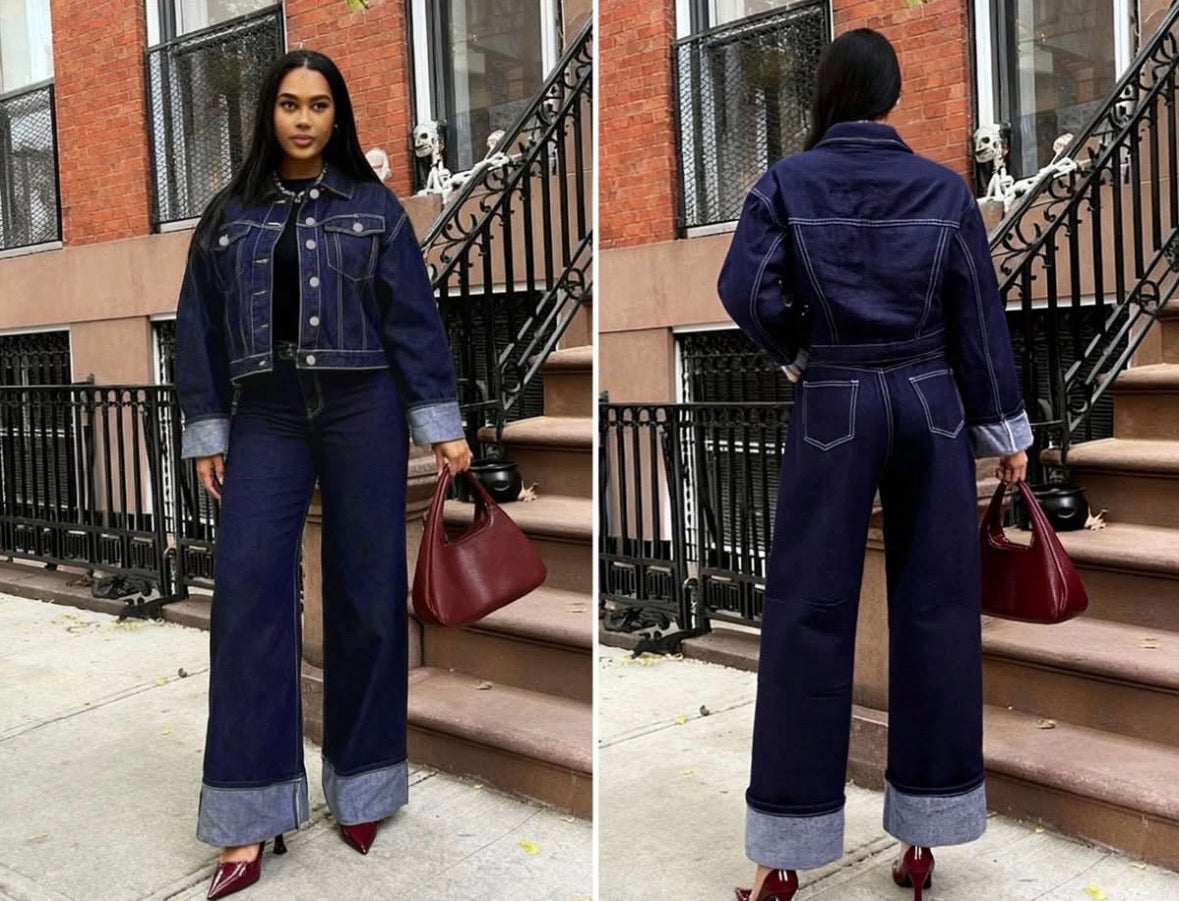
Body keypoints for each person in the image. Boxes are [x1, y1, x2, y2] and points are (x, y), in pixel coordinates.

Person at [717, 28, 1031, 901]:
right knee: (934, 612)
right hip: (931, 401)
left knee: (806, 613)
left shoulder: (785, 182)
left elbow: (742, 288)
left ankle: (781, 856)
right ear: (892, 96)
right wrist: (1004, 434)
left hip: (834, 399)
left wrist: (796, 350)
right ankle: (924, 843)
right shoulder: (944, 190)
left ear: (828, 93)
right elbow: (978, 319)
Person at [174, 49, 472, 900]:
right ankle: (246, 814)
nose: (302, 119)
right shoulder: (228, 215)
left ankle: (364, 784)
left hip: (361, 409)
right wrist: (207, 431)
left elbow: (410, 320)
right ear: (269, 115)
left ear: (337, 118)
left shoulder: (375, 210)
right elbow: (198, 328)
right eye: (288, 105)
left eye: (318, 106)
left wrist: (442, 427)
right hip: (264, 415)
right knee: (246, 599)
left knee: (365, 594)